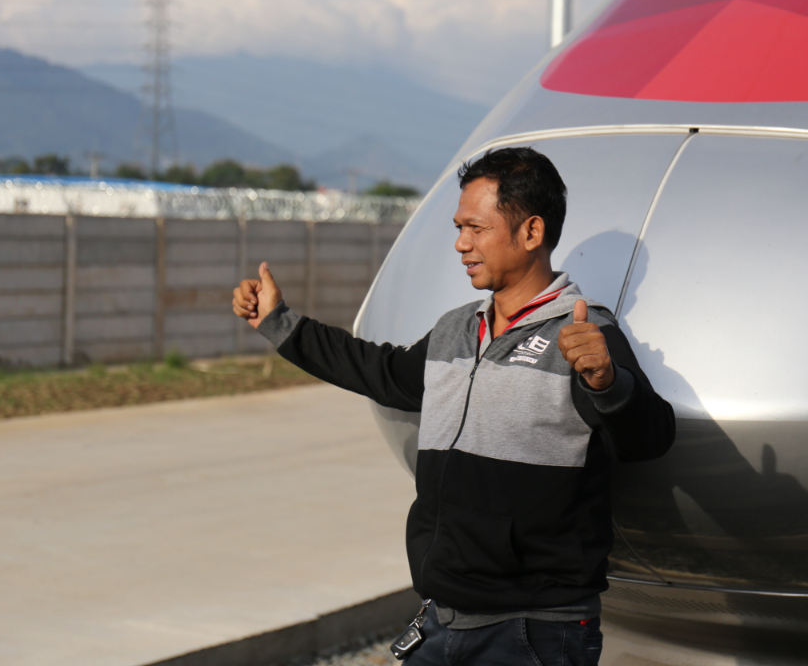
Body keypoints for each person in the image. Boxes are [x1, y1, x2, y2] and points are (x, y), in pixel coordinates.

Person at [232, 146, 675, 665]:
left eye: (476, 228)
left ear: (531, 232)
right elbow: (380, 372)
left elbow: (649, 439)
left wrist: (608, 381)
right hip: (442, 619)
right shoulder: (456, 329)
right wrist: (279, 323)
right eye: (458, 228)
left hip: (532, 631)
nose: (461, 244)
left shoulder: (584, 334)